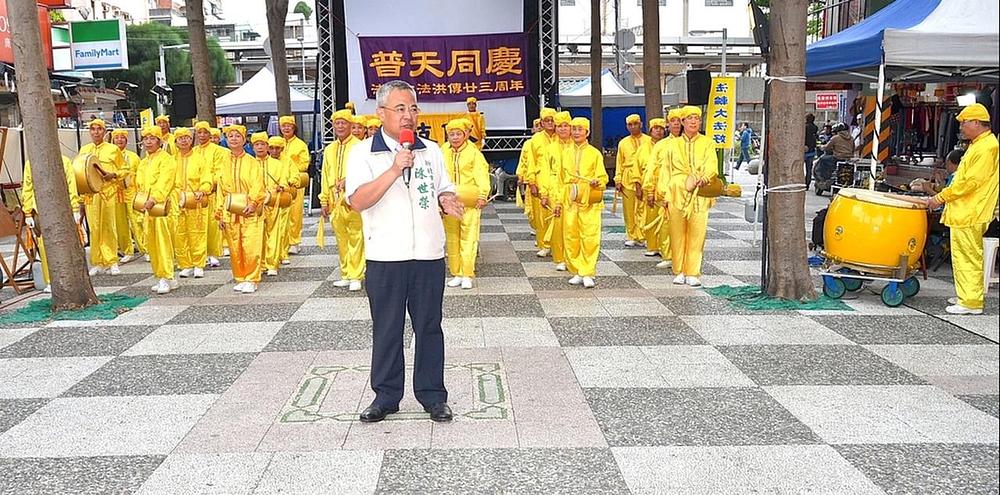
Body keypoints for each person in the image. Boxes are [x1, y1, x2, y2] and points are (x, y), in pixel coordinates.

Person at [345, 80, 464, 423]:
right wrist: (395, 168)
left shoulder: (432, 151)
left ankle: (432, 395)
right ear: (380, 113)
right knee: (387, 327)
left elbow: (444, 187)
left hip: (427, 254)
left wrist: (446, 198)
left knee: (429, 326)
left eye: (413, 108)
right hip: (386, 256)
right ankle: (385, 396)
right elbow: (357, 201)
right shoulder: (363, 153)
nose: (409, 116)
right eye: (400, 109)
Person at [927, 103, 999, 315]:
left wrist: (940, 197)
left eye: (964, 123)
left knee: (967, 256)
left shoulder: (987, 147)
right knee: (962, 255)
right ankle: (967, 295)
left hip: (971, 210)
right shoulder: (979, 144)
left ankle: (970, 301)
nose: (961, 128)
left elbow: (969, 183)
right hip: (966, 209)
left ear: (976, 122)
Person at [659, 106, 718, 287]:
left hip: (699, 192)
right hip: (677, 191)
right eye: (689, 118)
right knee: (676, 232)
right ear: (682, 122)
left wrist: (705, 178)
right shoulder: (672, 145)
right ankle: (679, 270)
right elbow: (665, 170)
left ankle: (692, 271)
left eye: (697, 118)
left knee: (697, 232)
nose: (693, 121)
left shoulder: (707, 143)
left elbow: (712, 164)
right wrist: (663, 194)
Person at [216, 125, 266, 294]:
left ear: (244, 140)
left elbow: (257, 184)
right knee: (234, 246)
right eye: (231, 136)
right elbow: (220, 190)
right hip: (230, 209)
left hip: (248, 209)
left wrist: (253, 202)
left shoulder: (252, 162)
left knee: (250, 244)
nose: (234, 139)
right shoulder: (223, 163)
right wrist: (220, 213)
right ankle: (241, 276)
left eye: (238, 136)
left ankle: (252, 278)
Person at [442, 118, 490, 289]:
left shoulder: (474, 153)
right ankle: (456, 272)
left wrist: (483, 194)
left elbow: (482, 174)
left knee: (469, 238)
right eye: (451, 134)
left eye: (458, 134)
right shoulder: (443, 151)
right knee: (452, 238)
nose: (454, 137)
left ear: (466, 134)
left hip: (469, 201)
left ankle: (467, 273)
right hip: (449, 202)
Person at [22, 155, 81, 293]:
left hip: (62, 208)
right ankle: (50, 281)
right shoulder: (30, 163)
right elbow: (28, 187)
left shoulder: (64, 161)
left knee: (66, 244)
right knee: (43, 247)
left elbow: (71, 184)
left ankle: (70, 279)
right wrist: (28, 212)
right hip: (40, 210)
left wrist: (75, 208)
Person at [320, 109, 364, 291]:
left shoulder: (360, 146)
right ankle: (345, 273)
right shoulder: (330, 148)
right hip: (334, 199)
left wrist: (349, 179)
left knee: (356, 235)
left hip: (353, 197)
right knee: (341, 237)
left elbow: (365, 173)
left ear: (350, 125)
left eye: (343, 123)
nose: (340, 126)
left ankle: (356, 275)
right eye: (337, 123)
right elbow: (325, 174)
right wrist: (323, 200)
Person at [561, 117, 608, 288]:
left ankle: (588, 271)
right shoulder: (565, 152)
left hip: (589, 201)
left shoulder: (594, 153)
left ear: (587, 132)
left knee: (589, 236)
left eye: (580, 129)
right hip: (571, 199)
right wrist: (559, 202)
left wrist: (597, 182)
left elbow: (603, 177)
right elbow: (560, 179)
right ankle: (577, 270)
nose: (576, 132)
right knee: (571, 236)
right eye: (574, 129)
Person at [78, 119, 124, 276]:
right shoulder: (84, 150)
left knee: (109, 226)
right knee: (94, 227)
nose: (96, 132)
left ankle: (112, 261)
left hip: (108, 192)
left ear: (105, 132)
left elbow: (124, 169)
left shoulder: (113, 149)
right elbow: (79, 173)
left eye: (99, 129)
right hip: (91, 195)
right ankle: (97, 261)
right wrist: (80, 199)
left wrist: (114, 175)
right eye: (93, 129)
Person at [135, 126, 178, 294]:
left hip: (162, 206)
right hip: (147, 206)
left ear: (160, 141)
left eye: (152, 138)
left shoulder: (167, 159)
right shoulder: (144, 162)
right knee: (151, 242)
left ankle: (165, 276)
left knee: (163, 241)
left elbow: (165, 181)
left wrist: (154, 198)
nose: (148, 142)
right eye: (146, 139)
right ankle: (161, 275)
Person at [252, 133, 296, 276]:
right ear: (253, 147)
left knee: (274, 233)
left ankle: (272, 263)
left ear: (267, 148)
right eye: (257, 144)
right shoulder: (250, 164)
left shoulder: (277, 164)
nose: (260, 147)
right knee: (257, 235)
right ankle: (261, 263)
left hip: (274, 202)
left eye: (262, 144)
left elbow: (283, 180)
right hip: (256, 204)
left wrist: (281, 186)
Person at [173, 128, 213, 279]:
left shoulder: (199, 158)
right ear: (175, 142)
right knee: (179, 234)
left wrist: (202, 190)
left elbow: (207, 178)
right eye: (180, 138)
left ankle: (198, 264)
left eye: (187, 138)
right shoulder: (171, 160)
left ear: (191, 140)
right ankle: (185, 264)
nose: (184, 140)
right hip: (177, 202)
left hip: (195, 201)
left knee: (197, 233)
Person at [646, 109, 683, 269]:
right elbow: (652, 168)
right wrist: (649, 190)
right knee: (666, 224)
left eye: (679, 120)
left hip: (684, 191)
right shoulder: (661, 145)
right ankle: (667, 255)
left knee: (683, 224)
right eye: (672, 120)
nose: (676, 123)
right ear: (668, 123)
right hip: (664, 190)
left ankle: (682, 255)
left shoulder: (690, 144)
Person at [539, 111, 573, 271]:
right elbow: (544, 171)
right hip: (554, 189)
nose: (562, 129)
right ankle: (560, 258)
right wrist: (544, 192)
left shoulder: (577, 146)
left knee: (573, 226)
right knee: (558, 226)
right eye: (559, 126)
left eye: (565, 126)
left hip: (573, 191)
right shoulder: (550, 149)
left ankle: (573, 257)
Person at [522, 108, 557, 256]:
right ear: (541, 123)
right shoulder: (535, 140)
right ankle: (544, 244)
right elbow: (530, 162)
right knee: (541, 214)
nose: (549, 123)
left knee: (556, 212)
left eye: (552, 120)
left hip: (556, 180)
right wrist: (531, 182)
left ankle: (557, 245)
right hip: (540, 178)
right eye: (546, 120)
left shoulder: (561, 137)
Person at [194, 121, 228, 268]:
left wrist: (210, 185)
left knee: (212, 224)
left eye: (205, 132)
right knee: (197, 225)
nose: (202, 135)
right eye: (199, 132)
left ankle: (213, 253)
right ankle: (199, 254)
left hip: (212, 192)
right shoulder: (193, 151)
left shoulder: (218, 151)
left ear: (210, 134)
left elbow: (219, 171)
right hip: (195, 195)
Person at [615, 114, 651, 247]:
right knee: (629, 209)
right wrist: (618, 179)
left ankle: (644, 234)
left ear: (641, 124)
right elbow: (619, 162)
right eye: (630, 124)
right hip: (627, 177)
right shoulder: (623, 143)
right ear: (627, 126)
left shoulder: (648, 140)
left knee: (644, 207)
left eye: (635, 123)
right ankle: (631, 235)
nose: (633, 126)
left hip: (645, 176)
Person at [278, 115, 311, 255]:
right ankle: (282, 241)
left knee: (295, 213)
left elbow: (304, 163)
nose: (286, 128)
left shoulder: (300, 145)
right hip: (278, 183)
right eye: (283, 126)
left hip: (294, 183)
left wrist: (291, 170)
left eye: (289, 126)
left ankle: (294, 241)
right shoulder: (276, 143)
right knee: (280, 213)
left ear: (294, 128)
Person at [111, 129, 144, 261]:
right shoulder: (110, 155)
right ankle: (127, 250)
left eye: (122, 138)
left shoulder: (133, 157)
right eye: (117, 138)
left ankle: (145, 248)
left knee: (136, 220)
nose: (119, 140)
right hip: (116, 192)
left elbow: (140, 173)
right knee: (120, 223)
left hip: (131, 192)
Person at [638, 117, 667, 257]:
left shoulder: (669, 145)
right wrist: (638, 184)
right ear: (650, 130)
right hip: (648, 185)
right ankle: (652, 245)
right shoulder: (643, 148)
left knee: (664, 218)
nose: (658, 131)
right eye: (656, 128)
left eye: (661, 129)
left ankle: (664, 246)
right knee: (650, 215)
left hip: (664, 185)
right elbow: (636, 168)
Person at [804, 114, 819, 188]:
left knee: (799, 168)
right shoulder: (815, 127)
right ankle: (807, 184)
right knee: (809, 169)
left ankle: (801, 183)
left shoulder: (804, 127)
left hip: (804, 149)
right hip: (812, 150)